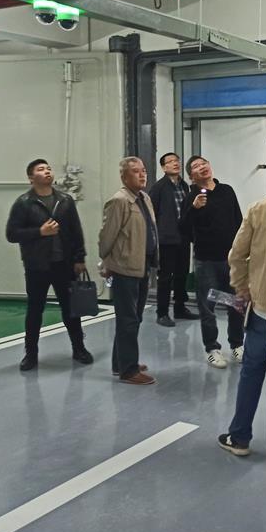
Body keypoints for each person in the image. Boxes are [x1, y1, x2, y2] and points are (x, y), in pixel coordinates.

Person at [218, 158, 266, 456]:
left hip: (263, 307)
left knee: (252, 372)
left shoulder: (260, 208)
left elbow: (237, 255)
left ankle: (240, 436)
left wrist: (243, 289)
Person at [5, 159, 93, 371]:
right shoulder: (24, 203)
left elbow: (76, 230)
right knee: (35, 311)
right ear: (31, 177)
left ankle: (79, 348)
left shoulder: (65, 200)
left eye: (48, 168)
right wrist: (39, 232)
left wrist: (79, 258)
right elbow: (12, 234)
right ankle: (31, 354)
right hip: (37, 266)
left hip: (64, 264)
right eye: (40, 169)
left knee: (71, 310)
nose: (47, 172)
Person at [179, 155, 245, 368]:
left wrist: (243, 252)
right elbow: (183, 229)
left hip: (230, 258)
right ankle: (212, 348)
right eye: (196, 166)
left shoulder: (226, 191)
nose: (202, 167)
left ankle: (237, 344)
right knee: (207, 306)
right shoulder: (191, 197)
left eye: (203, 163)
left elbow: (239, 221)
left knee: (236, 303)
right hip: (206, 260)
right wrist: (194, 209)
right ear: (191, 176)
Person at [99, 157, 158, 385]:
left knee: (135, 318)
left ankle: (120, 362)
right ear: (124, 177)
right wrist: (107, 262)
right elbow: (107, 237)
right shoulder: (119, 201)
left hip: (142, 266)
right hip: (124, 269)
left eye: (144, 171)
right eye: (135, 171)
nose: (142, 175)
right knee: (128, 320)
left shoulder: (144, 198)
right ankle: (128, 370)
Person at [148, 152, 196, 327]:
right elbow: (152, 213)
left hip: (183, 237)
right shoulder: (159, 187)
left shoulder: (184, 186)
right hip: (166, 239)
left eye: (177, 160)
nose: (175, 163)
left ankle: (180, 307)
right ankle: (162, 313)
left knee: (182, 274)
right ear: (163, 167)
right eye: (170, 161)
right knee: (165, 277)